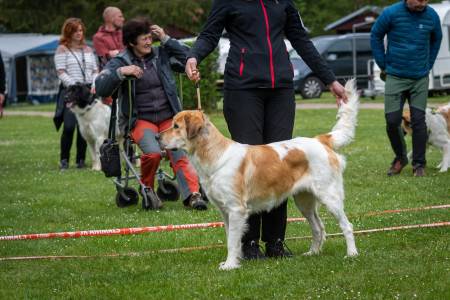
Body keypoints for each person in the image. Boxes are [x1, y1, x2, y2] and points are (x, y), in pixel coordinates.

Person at [185, 0, 347, 260]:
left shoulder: (283, 2)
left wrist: (330, 80)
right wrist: (193, 56)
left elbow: (301, 40)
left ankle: (276, 242)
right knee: (250, 167)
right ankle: (248, 244)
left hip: (281, 90)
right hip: (242, 90)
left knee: (278, 166)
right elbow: (209, 34)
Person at [95, 18, 208, 210]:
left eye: (150, 37)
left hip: (169, 119)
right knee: (154, 153)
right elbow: (101, 87)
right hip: (140, 121)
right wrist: (121, 72)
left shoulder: (160, 54)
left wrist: (165, 38)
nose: (149, 42)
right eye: (144, 39)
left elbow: (189, 57)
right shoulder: (120, 61)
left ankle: (193, 196)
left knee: (179, 150)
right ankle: (147, 188)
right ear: (132, 42)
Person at [371, 0, 442, 177]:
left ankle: (419, 164)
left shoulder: (431, 15)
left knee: (419, 121)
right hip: (395, 76)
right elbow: (375, 35)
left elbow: (437, 39)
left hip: (419, 78)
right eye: (417, 0)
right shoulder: (391, 13)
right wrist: (383, 63)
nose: (421, 3)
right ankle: (401, 157)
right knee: (392, 121)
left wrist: (429, 64)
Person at [53, 18, 99, 170]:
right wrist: (73, 85)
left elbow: (95, 69)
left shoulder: (88, 49)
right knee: (69, 126)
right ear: (69, 32)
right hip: (71, 90)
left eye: (80, 30)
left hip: (87, 91)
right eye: (75, 31)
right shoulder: (62, 49)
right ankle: (64, 160)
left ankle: (81, 160)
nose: (79, 33)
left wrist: (93, 83)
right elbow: (60, 71)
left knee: (85, 127)